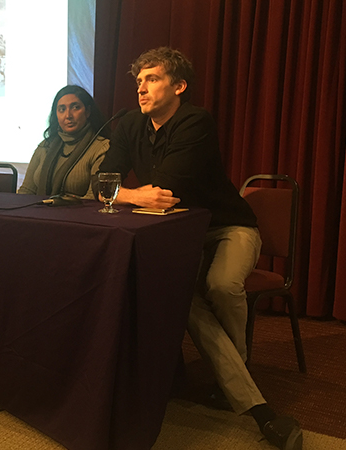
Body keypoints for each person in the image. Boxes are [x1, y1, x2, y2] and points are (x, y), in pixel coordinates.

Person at [98, 47, 303, 450]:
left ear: (179, 86)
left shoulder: (196, 120)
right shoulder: (127, 125)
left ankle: (232, 375)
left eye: (152, 79)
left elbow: (169, 190)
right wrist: (130, 194)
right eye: (138, 81)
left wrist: (123, 194)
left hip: (228, 227)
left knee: (222, 285)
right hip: (177, 233)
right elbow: (104, 183)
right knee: (182, 299)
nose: (141, 88)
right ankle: (242, 390)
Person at [18, 85, 109, 199]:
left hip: (79, 216)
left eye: (75, 107)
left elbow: (94, 198)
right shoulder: (45, 146)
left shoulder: (101, 147)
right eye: (62, 109)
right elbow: (27, 190)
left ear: (88, 111)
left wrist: (60, 203)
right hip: (39, 213)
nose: (68, 115)